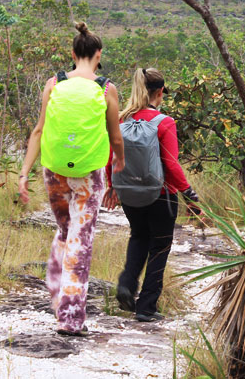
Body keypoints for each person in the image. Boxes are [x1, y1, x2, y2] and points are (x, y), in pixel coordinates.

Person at [18, 22, 124, 336]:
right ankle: (70, 316)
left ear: (73, 53)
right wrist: (118, 168)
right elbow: (115, 137)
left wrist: (23, 173)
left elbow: (37, 131)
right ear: (99, 54)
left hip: (54, 169)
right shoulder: (106, 88)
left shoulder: (54, 83)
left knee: (66, 230)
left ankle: (56, 283)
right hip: (89, 173)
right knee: (81, 240)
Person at [104, 67, 200, 322]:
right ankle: (146, 306)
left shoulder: (122, 120)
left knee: (138, 236)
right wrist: (189, 194)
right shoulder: (164, 122)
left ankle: (126, 283)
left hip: (129, 194)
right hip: (161, 195)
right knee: (159, 246)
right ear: (159, 92)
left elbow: (110, 157)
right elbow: (171, 163)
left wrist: (112, 186)